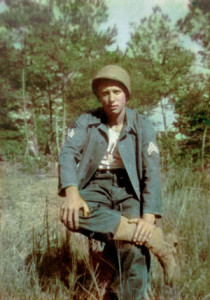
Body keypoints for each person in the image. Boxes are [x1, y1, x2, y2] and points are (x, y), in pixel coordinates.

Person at [59, 65, 179, 299]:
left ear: (127, 95)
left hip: (128, 187)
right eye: (105, 93)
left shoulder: (142, 124)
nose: (111, 98)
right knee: (72, 215)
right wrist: (72, 194)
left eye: (116, 91)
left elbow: (152, 169)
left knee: (134, 246)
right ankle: (157, 241)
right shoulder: (86, 121)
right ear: (99, 96)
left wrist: (149, 216)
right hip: (96, 185)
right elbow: (67, 154)